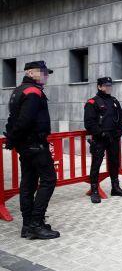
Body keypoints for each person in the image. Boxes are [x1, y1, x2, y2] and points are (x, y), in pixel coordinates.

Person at [4, 61, 60, 239]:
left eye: (47, 72)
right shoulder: (33, 92)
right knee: (49, 180)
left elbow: (13, 119)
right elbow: (24, 121)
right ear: (29, 72)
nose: (46, 75)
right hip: (35, 144)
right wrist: (15, 139)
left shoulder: (19, 90)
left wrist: (13, 140)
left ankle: (28, 225)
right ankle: (35, 224)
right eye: (42, 72)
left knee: (28, 184)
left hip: (26, 146)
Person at [84, 77, 122, 203]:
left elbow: (121, 117)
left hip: (114, 138)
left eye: (110, 85)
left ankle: (115, 187)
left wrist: (121, 131)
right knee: (96, 164)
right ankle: (94, 190)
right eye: (105, 85)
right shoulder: (92, 102)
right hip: (100, 138)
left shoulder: (114, 101)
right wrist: (101, 133)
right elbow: (89, 123)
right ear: (99, 87)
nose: (108, 87)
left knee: (114, 162)